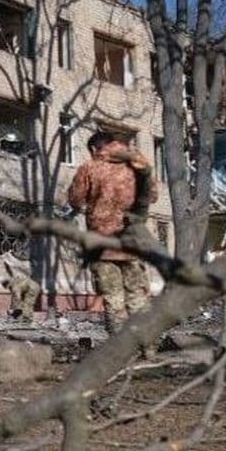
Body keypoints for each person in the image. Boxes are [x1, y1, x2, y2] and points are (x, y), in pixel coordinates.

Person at [65, 129, 154, 335]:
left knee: (114, 299)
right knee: (139, 298)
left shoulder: (89, 167)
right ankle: (148, 345)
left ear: (94, 148)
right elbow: (152, 195)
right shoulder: (137, 165)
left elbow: (75, 200)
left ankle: (120, 347)